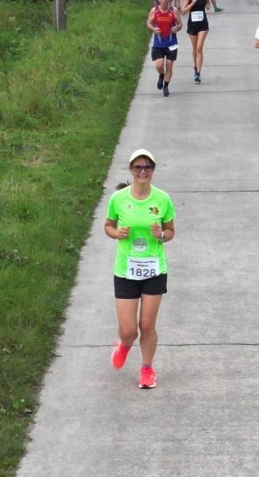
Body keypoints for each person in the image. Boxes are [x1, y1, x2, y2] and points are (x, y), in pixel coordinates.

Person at [105, 149, 176, 390]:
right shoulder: (118, 199)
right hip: (126, 270)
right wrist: (117, 233)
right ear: (131, 171)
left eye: (147, 167)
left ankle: (147, 368)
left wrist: (162, 235)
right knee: (128, 330)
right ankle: (124, 345)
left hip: (154, 269)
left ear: (153, 170)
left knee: (147, 325)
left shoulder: (162, 199)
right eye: (138, 167)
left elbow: (171, 231)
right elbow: (108, 226)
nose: (143, 171)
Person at [146, 0, 182, 97]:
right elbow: (148, 23)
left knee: (169, 65)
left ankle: (166, 86)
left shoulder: (173, 10)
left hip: (172, 43)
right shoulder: (155, 10)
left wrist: (177, 28)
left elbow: (180, 24)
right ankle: (161, 75)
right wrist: (153, 29)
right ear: (159, 0)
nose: (163, 1)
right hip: (158, 43)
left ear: (169, 0)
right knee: (159, 65)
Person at [181, 0, 210, 83]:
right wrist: (192, 3)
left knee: (199, 48)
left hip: (203, 25)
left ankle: (198, 73)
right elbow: (183, 11)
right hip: (192, 25)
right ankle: (195, 67)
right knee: (194, 49)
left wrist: (207, 3)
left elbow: (208, 6)